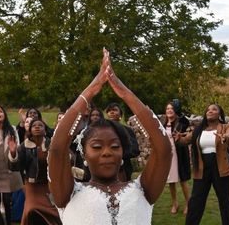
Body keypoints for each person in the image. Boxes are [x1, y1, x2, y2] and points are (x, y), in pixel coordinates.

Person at [49, 49, 171, 225]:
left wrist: (124, 93)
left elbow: (163, 149)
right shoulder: (68, 194)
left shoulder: (143, 190)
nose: (107, 152)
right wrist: (91, 89)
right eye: (97, 147)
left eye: (115, 146)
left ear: (122, 153)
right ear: (84, 155)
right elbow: (57, 149)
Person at [174, 103, 229, 225]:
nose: (210, 111)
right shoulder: (199, 129)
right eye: (208, 110)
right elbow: (185, 140)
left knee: (225, 202)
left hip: (220, 167)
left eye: (214, 109)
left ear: (219, 114)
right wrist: (177, 138)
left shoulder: (225, 127)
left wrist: (225, 137)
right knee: (196, 201)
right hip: (202, 168)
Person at [8, 119, 61, 225]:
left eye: (40, 125)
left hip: (49, 186)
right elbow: (15, 167)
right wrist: (13, 154)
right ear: (30, 130)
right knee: (31, 209)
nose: (37, 127)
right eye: (34, 126)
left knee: (54, 213)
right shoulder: (24, 146)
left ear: (45, 130)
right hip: (32, 186)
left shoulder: (52, 144)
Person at [161, 101, 191, 215]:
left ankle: (189, 204)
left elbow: (186, 121)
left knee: (183, 180)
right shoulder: (163, 123)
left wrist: (179, 111)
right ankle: (175, 203)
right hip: (168, 155)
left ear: (176, 111)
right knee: (171, 181)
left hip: (179, 154)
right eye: (167, 108)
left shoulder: (181, 122)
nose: (169, 110)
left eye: (172, 108)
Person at [104, 102, 140, 181]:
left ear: (120, 114)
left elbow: (135, 150)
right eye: (109, 111)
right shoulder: (102, 130)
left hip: (124, 167)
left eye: (114, 110)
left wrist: (120, 155)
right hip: (105, 166)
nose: (112, 112)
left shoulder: (127, 130)